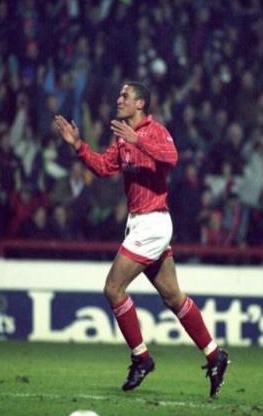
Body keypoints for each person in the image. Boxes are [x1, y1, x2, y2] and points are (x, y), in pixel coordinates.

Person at [54, 81, 229, 397]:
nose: (119, 99)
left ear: (140, 104)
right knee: (173, 297)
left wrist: (139, 140)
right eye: (119, 94)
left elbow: (172, 157)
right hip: (139, 223)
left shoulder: (155, 131)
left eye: (125, 95)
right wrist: (78, 145)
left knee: (113, 288)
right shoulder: (122, 137)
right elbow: (104, 168)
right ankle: (215, 355)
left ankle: (142, 358)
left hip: (153, 223)